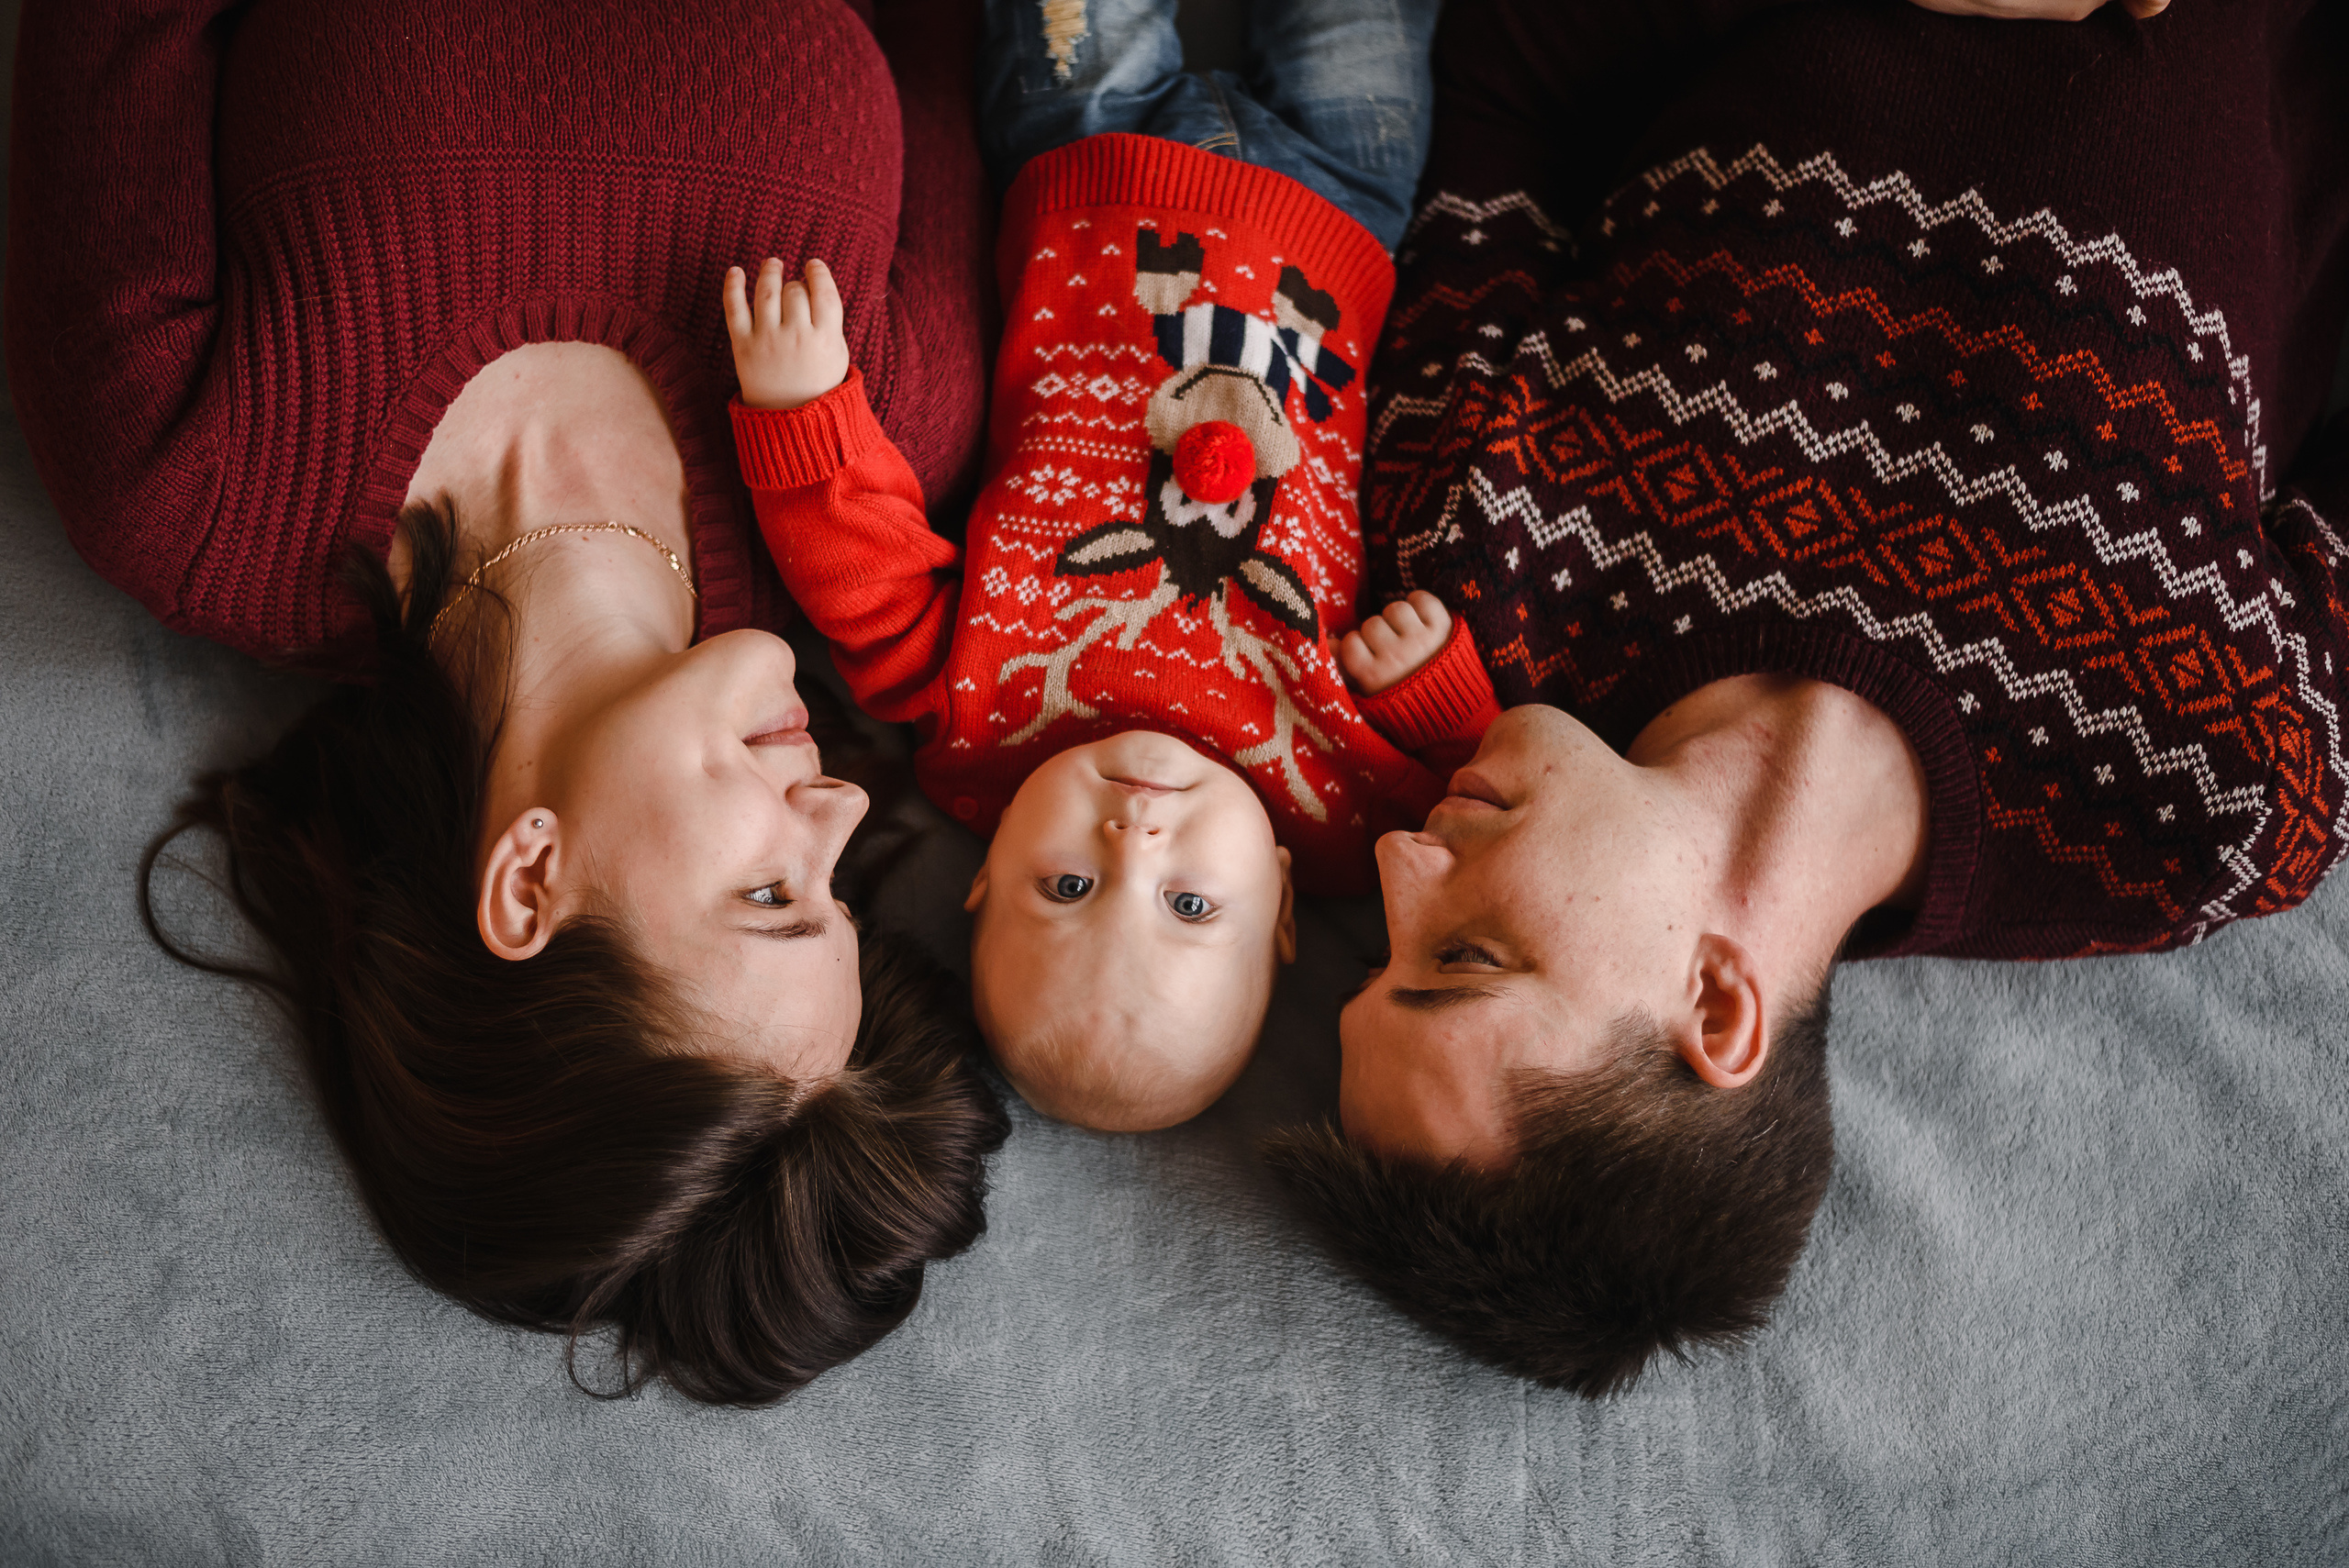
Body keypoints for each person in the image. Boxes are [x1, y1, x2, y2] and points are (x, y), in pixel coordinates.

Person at [1264, 0, 2349, 1395]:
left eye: (1379, 955)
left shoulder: (1474, 551)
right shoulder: (2206, 795)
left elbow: (1504, 73)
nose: (1406, 866)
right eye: (1465, 956)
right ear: (1719, 1006)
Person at [7, 0, 1009, 1403]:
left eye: (773, 896)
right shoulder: (875, 449)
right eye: (838, 893)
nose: (838, 805)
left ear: (529, 883)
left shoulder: (189, 471)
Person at [713, 0, 1498, 1132]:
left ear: (979, 881)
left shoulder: (977, 732)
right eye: (1190, 903)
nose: (1134, 842)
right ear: (1279, 907)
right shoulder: (1352, 816)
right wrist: (1432, 685)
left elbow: (865, 589)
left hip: (1085, 165)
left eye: (1066, 887)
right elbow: (1489, 783)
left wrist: (809, 417)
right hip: (1339, 213)